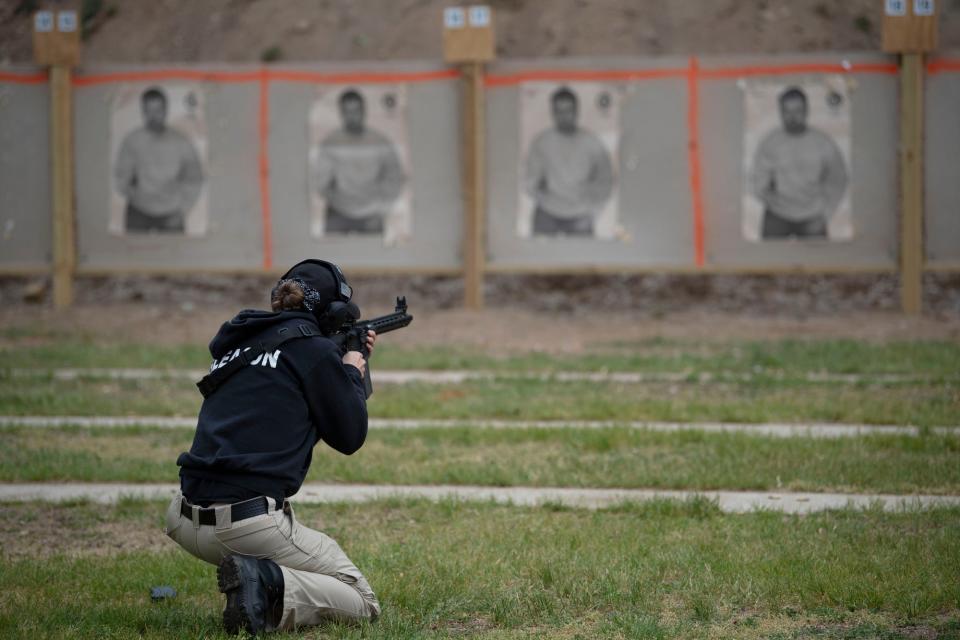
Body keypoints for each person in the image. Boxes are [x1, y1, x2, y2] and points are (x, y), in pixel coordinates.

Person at [164, 259, 380, 635]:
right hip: (244, 527)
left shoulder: (239, 342)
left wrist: (337, 363)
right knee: (361, 599)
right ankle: (263, 580)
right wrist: (350, 372)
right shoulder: (314, 353)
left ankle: (256, 575)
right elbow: (349, 437)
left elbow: (278, 382)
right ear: (333, 312)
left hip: (182, 519)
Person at [751, 86, 849, 239]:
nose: (792, 117)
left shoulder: (823, 142)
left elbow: (838, 179)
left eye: (798, 110)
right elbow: (758, 178)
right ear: (780, 113)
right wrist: (769, 199)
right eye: (787, 111)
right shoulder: (770, 142)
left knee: (818, 262)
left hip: (812, 217)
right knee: (768, 261)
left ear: (807, 111)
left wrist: (826, 213)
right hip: (777, 216)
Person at [311, 89, 406, 234]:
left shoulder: (380, 141)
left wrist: (380, 204)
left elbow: (395, 177)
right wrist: (338, 200)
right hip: (338, 213)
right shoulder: (330, 143)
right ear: (341, 113)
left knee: (376, 255)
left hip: (372, 214)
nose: (352, 116)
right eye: (347, 111)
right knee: (327, 255)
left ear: (364, 111)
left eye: (356, 110)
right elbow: (320, 182)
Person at [524, 87, 614, 237]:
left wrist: (591, 204)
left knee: (583, 259)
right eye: (558, 111)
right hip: (547, 214)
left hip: (581, 215)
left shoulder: (592, 143)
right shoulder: (541, 142)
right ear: (552, 113)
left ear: (576, 111)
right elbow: (530, 180)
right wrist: (542, 194)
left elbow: (606, 179)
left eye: (568, 110)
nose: (563, 116)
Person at [114, 87, 204, 234]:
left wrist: (183, 208)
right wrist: (132, 193)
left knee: (175, 256)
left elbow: (195, 178)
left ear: (165, 110)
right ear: (142, 112)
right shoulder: (132, 140)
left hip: (172, 214)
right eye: (148, 111)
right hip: (138, 212)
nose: (153, 116)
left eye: (158, 110)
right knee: (131, 255)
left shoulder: (181, 142)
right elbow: (121, 176)